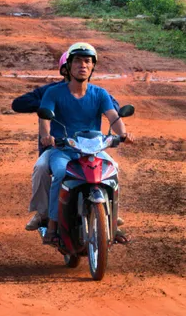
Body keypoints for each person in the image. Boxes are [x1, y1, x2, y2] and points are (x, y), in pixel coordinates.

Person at [37, 42, 127, 245]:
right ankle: (52, 225)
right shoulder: (54, 93)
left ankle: (112, 224)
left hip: (93, 150)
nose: (83, 65)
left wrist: (123, 134)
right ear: (69, 66)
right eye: (77, 61)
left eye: (87, 61)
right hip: (63, 150)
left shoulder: (100, 94)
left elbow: (113, 116)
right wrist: (46, 135)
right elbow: (44, 119)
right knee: (61, 173)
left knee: (113, 170)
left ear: (93, 66)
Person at [11, 52, 68, 231]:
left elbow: (113, 106)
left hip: (84, 147)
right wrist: (47, 105)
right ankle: (43, 212)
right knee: (41, 168)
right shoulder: (50, 92)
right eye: (74, 64)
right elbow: (18, 104)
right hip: (54, 148)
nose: (80, 67)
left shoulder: (93, 92)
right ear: (64, 70)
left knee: (108, 168)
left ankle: (107, 212)